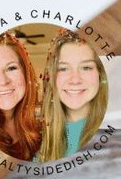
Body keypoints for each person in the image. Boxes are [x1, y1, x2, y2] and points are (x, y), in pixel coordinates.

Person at [37, 31, 108, 161]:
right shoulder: (35, 141)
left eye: (86, 67)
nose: (75, 79)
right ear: (51, 77)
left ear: (100, 75)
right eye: (63, 68)